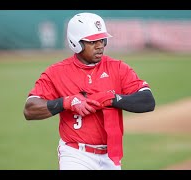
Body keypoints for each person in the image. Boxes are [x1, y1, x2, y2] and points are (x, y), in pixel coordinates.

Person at [23, 12, 155, 170]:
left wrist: (113, 99)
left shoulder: (118, 68)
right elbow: (30, 110)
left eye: (102, 40)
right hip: (75, 155)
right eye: (93, 41)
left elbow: (148, 101)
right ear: (76, 43)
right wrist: (67, 102)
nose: (100, 45)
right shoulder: (56, 72)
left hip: (111, 156)